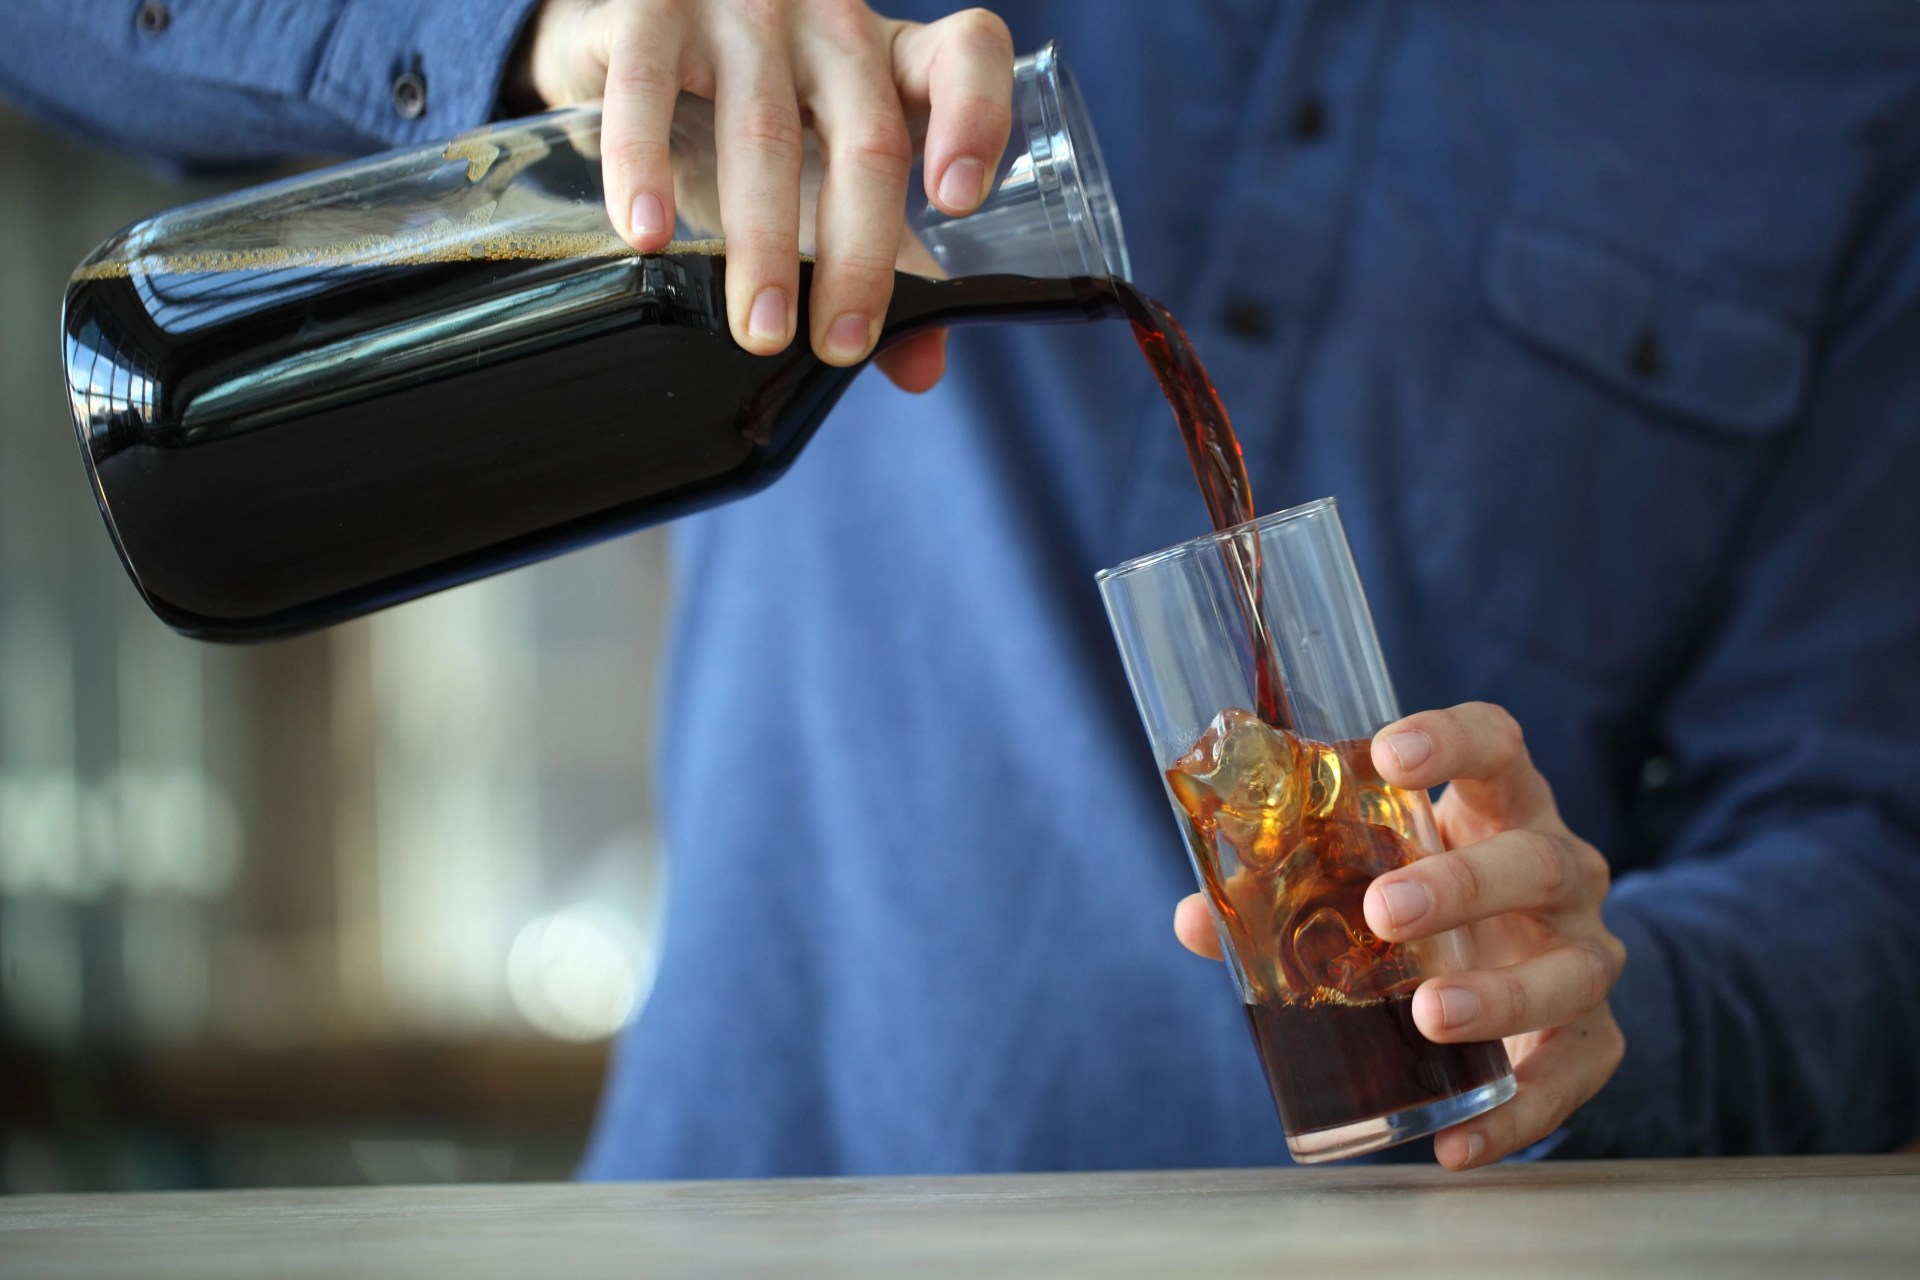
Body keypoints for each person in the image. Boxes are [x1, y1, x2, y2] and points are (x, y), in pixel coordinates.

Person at [5, 0, 1916, 1175]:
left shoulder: (1843, 65)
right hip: (753, 1228)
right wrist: (536, 24)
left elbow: (1870, 842)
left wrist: (1616, 995)